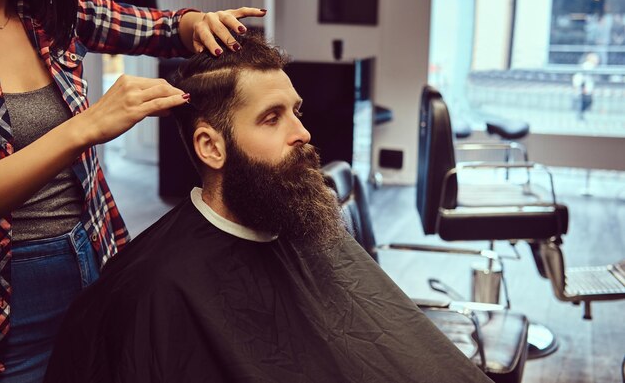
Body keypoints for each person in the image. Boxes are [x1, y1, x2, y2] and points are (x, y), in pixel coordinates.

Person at [44, 33, 493, 383]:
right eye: (272, 117)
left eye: (295, 111)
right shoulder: (154, 288)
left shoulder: (299, 226)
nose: (302, 133)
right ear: (210, 147)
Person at [0, 0, 266, 380]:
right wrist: (86, 127)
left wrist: (199, 25)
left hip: (91, 254)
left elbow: (160, 29)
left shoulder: (46, 13)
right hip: (14, 297)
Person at [572, 52, 599, 120]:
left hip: (587, 87)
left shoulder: (591, 66)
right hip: (584, 87)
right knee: (586, 101)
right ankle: (580, 115)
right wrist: (583, 87)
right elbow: (581, 77)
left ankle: (581, 114)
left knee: (587, 101)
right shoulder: (587, 66)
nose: (597, 60)